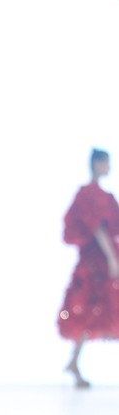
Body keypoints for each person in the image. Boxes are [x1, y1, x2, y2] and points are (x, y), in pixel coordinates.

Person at [58, 149, 119, 387]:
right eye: (106, 163)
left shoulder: (102, 195)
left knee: (91, 311)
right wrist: (112, 258)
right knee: (88, 309)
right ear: (97, 164)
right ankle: (74, 361)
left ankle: (74, 361)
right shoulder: (90, 194)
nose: (109, 167)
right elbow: (97, 228)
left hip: (99, 260)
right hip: (97, 263)